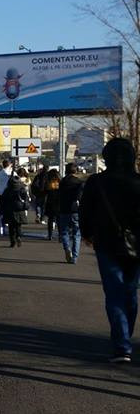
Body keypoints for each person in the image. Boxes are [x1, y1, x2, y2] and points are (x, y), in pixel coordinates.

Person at [79, 138, 140, 363]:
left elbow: (85, 210)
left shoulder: (96, 182)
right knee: (130, 292)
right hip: (137, 246)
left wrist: (87, 234)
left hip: (106, 244)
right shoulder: (138, 181)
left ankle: (122, 345)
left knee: (114, 292)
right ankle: (125, 336)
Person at [57, 163, 85, 264]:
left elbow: (59, 195)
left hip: (64, 209)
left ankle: (67, 248)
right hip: (76, 211)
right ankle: (74, 257)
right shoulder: (79, 182)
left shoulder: (62, 182)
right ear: (75, 171)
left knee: (64, 232)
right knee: (76, 234)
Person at [0, 169, 30, 248]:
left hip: (9, 210)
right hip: (19, 209)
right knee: (18, 225)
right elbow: (26, 199)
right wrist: (25, 206)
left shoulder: (7, 190)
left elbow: (2, 201)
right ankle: (18, 236)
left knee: (11, 226)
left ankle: (12, 241)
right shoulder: (21, 189)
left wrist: (1, 210)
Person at [0, 159, 14, 236]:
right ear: (9, 165)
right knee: (11, 211)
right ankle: (10, 226)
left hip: (2, 194)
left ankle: (2, 226)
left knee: (2, 210)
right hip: (11, 195)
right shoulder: (13, 173)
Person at [42, 168, 61, 241]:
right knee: (59, 220)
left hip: (50, 202)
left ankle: (50, 235)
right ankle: (60, 235)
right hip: (59, 202)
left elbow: (44, 191)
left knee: (50, 219)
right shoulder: (60, 181)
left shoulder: (48, 182)